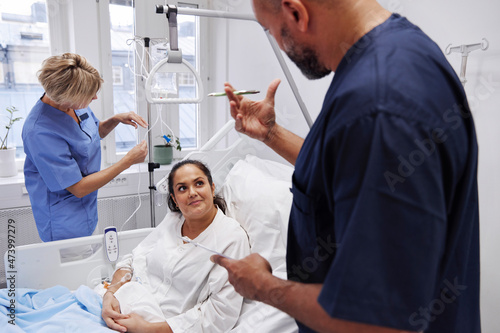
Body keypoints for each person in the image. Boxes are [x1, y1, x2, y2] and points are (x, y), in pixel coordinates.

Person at [212, 1, 480, 333]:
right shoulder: (404, 54)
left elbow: (376, 321)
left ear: (296, 12)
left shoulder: (378, 103)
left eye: (272, 31)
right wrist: (271, 134)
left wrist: (263, 286)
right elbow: (347, 169)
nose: (279, 45)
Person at [101, 160, 251, 333]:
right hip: (120, 308)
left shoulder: (231, 239)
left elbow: (219, 315)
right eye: (182, 188)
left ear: (212, 187)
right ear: (174, 198)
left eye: (199, 183)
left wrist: (147, 329)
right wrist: (110, 295)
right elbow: (132, 260)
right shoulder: (172, 221)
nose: (192, 193)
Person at [22, 53, 148, 242]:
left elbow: (88, 136)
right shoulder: (39, 132)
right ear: (66, 97)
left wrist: (115, 120)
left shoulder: (73, 105)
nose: (95, 97)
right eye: (90, 95)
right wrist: (128, 161)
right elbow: (78, 188)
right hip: (63, 223)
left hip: (87, 211)